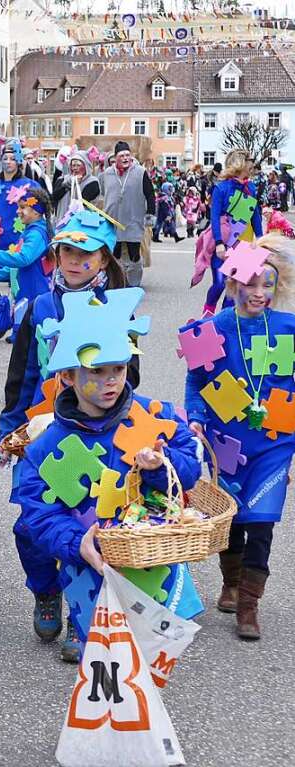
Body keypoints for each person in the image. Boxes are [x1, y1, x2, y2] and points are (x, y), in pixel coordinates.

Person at [13, 288, 203, 662]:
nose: (111, 381)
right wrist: (75, 543)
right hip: (86, 563)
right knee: (100, 658)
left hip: (147, 559)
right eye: (96, 371)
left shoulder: (154, 416)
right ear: (68, 375)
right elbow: (38, 514)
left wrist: (159, 469)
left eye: (118, 368)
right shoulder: (46, 446)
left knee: (150, 655)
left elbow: (191, 470)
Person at [0, 209, 135, 661]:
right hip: (43, 429)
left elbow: (129, 377)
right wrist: (9, 424)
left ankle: (83, 617)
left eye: (85, 254)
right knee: (29, 525)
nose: (75, 261)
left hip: (97, 430)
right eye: (67, 251)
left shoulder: (116, 307)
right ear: (56, 256)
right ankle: (44, 590)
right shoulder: (39, 307)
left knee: (89, 523)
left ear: (102, 261)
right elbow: (22, 372)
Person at [184, 235, 295, 640]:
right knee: (232, 520)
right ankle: (230, 583)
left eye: (268, 284)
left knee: (262, 521)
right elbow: (196, 381)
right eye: (251, 283)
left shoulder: (289, 329)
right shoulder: (211, 329)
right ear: (233, 284)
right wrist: (196, 419)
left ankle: (249, 604)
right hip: (225, 441)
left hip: (275, 442)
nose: (259, 293)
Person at [0, 139, 41, 339]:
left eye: (12, 158)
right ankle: (2, 315)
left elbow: (38, 212)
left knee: (17, 285)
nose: (8, 162)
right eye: (5, 158)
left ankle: (18, 326)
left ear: (19, 162)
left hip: (17, 242)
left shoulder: (30, 186)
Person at [0, 188, 52, 339]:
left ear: (36, 211)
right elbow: (17, 268)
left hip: (34, 296)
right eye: (18, 207)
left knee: (30, 345)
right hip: (26, 295)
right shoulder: (30, 231)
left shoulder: (36, 234)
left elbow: (23, 259)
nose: (18, 211)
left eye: (22, 207)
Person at [194, 149, 263, 316]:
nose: (252, 165)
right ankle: (207, 313)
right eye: (249, 161)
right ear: (240, 163)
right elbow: (215, 217)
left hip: (243, 244)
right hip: (223, 243)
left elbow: (255, 215)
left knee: (235, 289)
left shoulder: (251, 188)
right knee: (219, 284)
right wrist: (218, 243)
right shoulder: (221, 188)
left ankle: (225, 320)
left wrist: (262, 239)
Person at [99, 141, 155, 288]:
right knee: (114, 253)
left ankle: (134, 283)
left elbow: (150, 194)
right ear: (115, 157)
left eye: (127, 155)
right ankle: (116, 281)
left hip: (133, 219)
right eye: (121, 155)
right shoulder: (107, 173)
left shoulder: (140, 172)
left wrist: (150, 214)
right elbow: (103, 193)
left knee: (133, 253)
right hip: (112, 219)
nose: (125, 158)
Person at [50, 150, 101, 224]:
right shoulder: (62, 179)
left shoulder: (92, 182)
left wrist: (76, 183)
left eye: (78, 165)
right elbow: (54, 197)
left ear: (86, 166)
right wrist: (69, 183)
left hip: (83, 225)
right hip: (61, 223)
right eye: (73, 165)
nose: (75, 168)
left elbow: (82, 202)